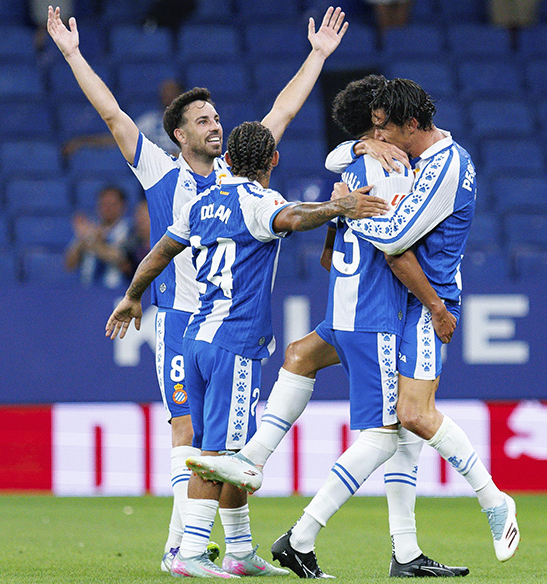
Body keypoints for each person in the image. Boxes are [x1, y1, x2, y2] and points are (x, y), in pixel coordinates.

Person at [46, 3, 349, 572]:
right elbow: (112, 114)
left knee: (221, 442)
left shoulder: (240, 170)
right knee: (190, 437)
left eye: (216, 118)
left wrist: (317, 57)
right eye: (204, 120)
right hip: (180, 321)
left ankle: (234, 549)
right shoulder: (160, 172)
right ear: (181, 134)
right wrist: (72, 54)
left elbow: (282, 110)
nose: (216, 125)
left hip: (224, 322)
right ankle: (180, 548)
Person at [190, 78, 520, 571]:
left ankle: (454, 521)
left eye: (385, 130)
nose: (383, 140)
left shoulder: (437, 164)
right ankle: (413, 540)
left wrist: (345, 210)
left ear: (406, 124)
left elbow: (393, 240)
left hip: (413, 303)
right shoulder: (390, 160)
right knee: (377, 407)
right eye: (376, 130)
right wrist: (354, 172)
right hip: (392, 304)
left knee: (394, 410)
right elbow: (362, 200)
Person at [105, 121, 389, 577]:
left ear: (228, 161)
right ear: (273, 161)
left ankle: (238, 551)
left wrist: (132, 295)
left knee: (224, 449)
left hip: (195, 339)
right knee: (222, 459)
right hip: (232, 346)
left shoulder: (200, 202)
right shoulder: (260, 203)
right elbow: (294, 218)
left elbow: (160, 253)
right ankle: (191, 553)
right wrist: (344, 205)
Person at [64, 79, 184, 158]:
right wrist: (83, 141)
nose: (167, 96)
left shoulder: (193, 121)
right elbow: (120, 139)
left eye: (172, 92)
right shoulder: (150, 121)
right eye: (165, 93)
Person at [64, 185, 131, 288]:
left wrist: (92, 241)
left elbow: (122, 259)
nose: (108, 209)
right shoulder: (90, 229)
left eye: (112, 204)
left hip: (116, 290)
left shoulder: (130, 230)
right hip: (88, 291)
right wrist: (81, 240)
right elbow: (69, 265)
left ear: (123, 206)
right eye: (104, 204)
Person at [120, 200, 151, 281]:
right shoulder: (132, 244)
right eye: (138, 216)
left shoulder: (169, 245)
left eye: (144, 217)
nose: (140, 221)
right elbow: (121, 259)